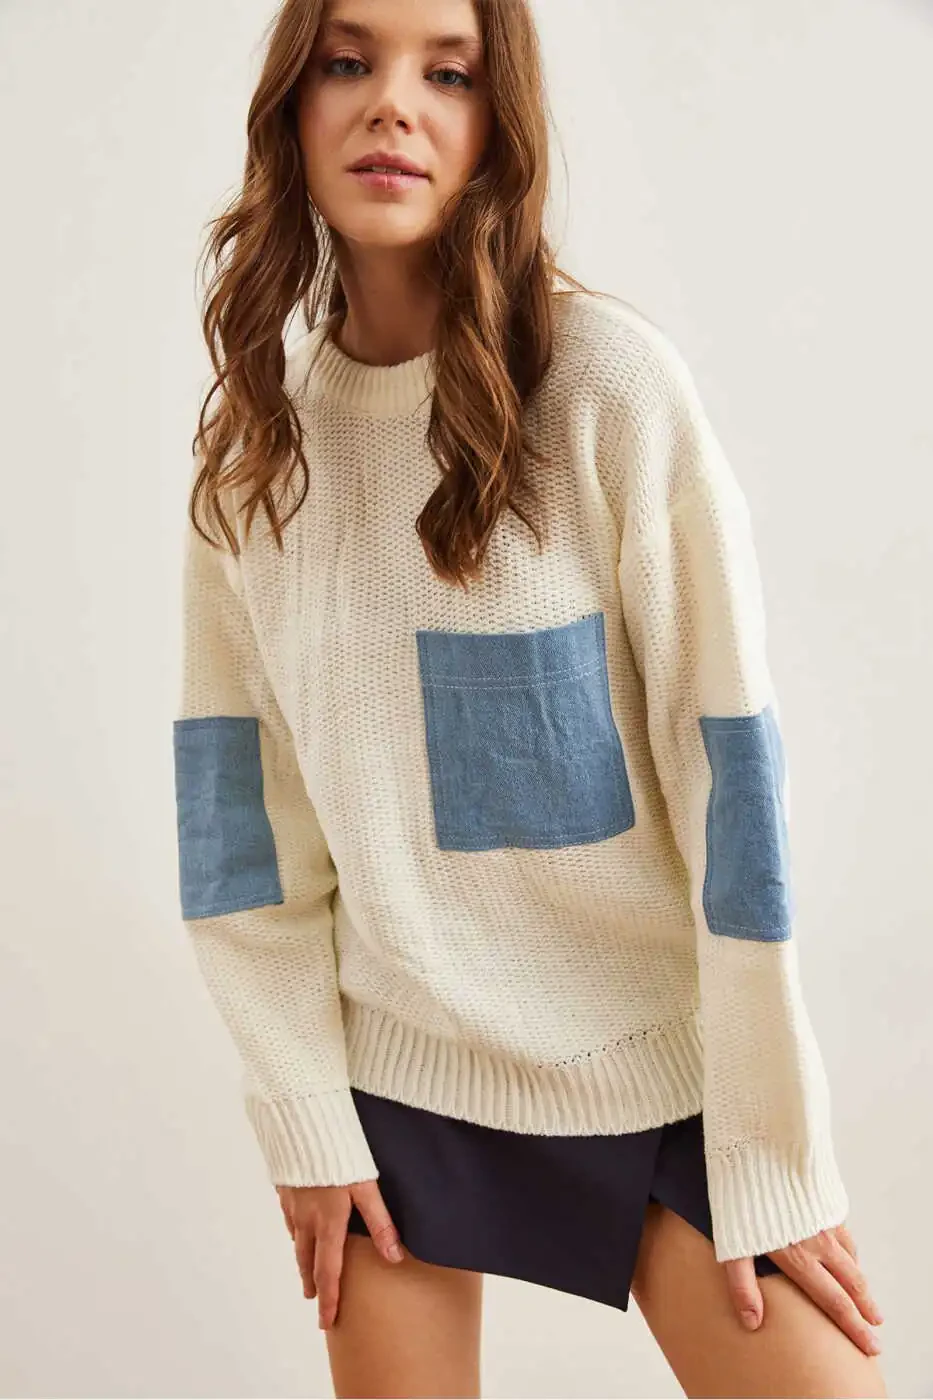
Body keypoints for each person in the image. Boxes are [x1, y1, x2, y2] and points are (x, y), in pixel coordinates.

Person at [171, 0, 888, 1395]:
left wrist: (769, 1150)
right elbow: (241, 838)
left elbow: (733, 786)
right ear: (291, 107)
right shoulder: (258, 452)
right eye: (348, 62)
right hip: (396, 1085)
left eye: (448, 74)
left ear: (499, 126)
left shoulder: (608, 389)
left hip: (659, 1067)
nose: (393, 104)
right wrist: (306, 1117)